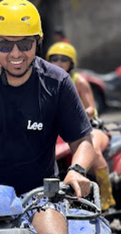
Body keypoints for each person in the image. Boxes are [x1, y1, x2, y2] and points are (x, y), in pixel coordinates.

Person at [0, 0, 94, 234]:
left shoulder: (57, 83)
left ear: (38, 42)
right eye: (5, 45)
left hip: (35, 191)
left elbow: (83, 141)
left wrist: (77, 169)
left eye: (25, 44)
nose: (15, 53)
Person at [46, 41, 115, 211]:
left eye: (64, 59)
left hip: (89, 127)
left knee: (93, 150)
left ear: (71, 63)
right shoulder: (47, 81)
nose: (59, 63)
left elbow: (92, 109)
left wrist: (74, 116)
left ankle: (107, 198)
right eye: (54, 59)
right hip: (61, 129)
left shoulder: (79, 81)